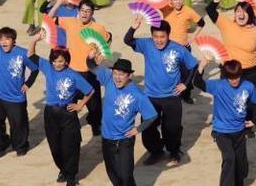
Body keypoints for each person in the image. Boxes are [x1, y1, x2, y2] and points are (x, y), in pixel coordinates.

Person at [124, 19, 198, 165]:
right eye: (156, 37)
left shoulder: (178, 49)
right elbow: (128, 40)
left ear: (168, 35)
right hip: (150, 96)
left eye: (162, 37)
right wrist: (133, 27)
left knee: (172, 128)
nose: (159, 40)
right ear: (152, 36)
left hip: (172, 96)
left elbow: (193, 66)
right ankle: (156, 151)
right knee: (148, 127)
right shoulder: (146, 44)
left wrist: (185, 84)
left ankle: (174, 152)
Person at [28, 32, 94, 186]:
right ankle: (63, 169)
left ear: (66, 61)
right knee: (55, 146)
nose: (57, 64)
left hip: (67, 113)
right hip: (50, 113)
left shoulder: (73, 75)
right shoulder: (47, 68)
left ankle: (71, 176)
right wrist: (34, 39)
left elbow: (90, 91)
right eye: (55, 61)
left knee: (70, 145)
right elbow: (30, 55)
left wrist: (80, 105)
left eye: (61, 61)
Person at [86, 52, 157, 186]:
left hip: (125, 140)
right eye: (115, 73)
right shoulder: (108, 78)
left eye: (121, 74)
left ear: (129, 75)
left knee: (126, 175)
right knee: (112, 173)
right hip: (107, 137)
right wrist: (90, 57)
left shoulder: (138, 95)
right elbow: (91, 66)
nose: (117, 78)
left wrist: (138, 129)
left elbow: (151, 115)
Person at [206, 0, 256, 138]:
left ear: (250, 15)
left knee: (249, 101)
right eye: (238, 11)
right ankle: (219, 128)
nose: (241, 14)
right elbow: (209, 9)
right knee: (224, 99)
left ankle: (247, 127)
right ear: (235, 13)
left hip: (250, 71)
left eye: (245, 12)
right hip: (229, 71)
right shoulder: (226, 24)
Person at [49, 0, 111, 136]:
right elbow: (49, 18)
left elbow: (107, 40)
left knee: (94, 104)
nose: (84, 14)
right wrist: (58, 3)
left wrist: (100, 54)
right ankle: (70, 125)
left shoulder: (98, 28)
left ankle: (96, 125)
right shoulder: (70, 22)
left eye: (88, 11)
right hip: (71, 71)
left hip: (90, 71)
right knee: (69, 100)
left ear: (92, 13)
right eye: (82, 10)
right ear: (78, 11)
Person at [194, 58, 256, 186]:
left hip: (240, 130)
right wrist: (201, 66)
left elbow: (255, 103)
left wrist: (254, 120)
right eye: (231, 78)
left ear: (241, 74)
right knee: (229, 158)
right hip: (221, 131)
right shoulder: (218, 86)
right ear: (226, 76)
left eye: (236, 77)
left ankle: (239, 181)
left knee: (240, 163)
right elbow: (198, 82)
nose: (234, 80)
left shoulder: (249, 86)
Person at [0, 23, 38, 157]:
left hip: (16, 98)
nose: (4, 42)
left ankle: (21, 145)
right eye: (1, 39)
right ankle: (2, 145)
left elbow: (35, 69)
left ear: (13, 40)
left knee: (18, 125)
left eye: (7, 39)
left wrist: (28, 83)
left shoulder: (22, 53)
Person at [161, 0, 205, 104]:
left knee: (186, 73)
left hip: (183, 48)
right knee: (170, 72)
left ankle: (186, 94)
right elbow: (154, 5)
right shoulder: (166, 9)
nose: (178, 1)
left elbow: (201, 23)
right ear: (170, 0)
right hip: (168, 47)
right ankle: (171, 93)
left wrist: (193, 37)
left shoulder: (188, 11)